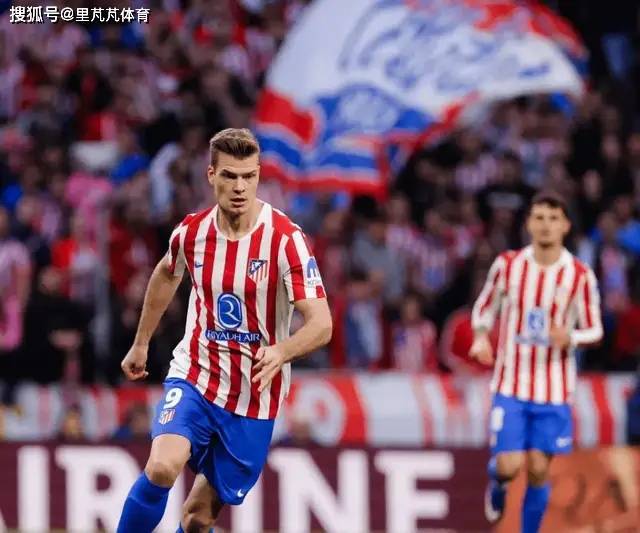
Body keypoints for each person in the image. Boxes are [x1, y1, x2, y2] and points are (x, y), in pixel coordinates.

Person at [116, 128, 332, 533]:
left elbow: (322, 324)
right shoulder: (192, 232)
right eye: (230, 175)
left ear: (259, 175)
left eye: (249, 176)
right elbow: (166, 273)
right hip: (196, 375)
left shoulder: (286, 240)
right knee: (161, 467)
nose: (240, 187)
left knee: (198, 519)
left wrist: (282, 351)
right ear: (211, 175)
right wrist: (141, 343)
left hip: (253, 395)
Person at [470, 191, 603, 532]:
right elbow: (484, 306)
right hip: (510, 384)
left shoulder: (579, 275)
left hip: (554, 390)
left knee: (539, 470)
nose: (546, 225)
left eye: (553, 219)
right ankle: (497, 484)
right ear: (528, 223)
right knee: (509, 465)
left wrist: (571, 337)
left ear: (566, 225)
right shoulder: (508, 265)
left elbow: (595, 329)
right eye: (539, 218)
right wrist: (481, 336)